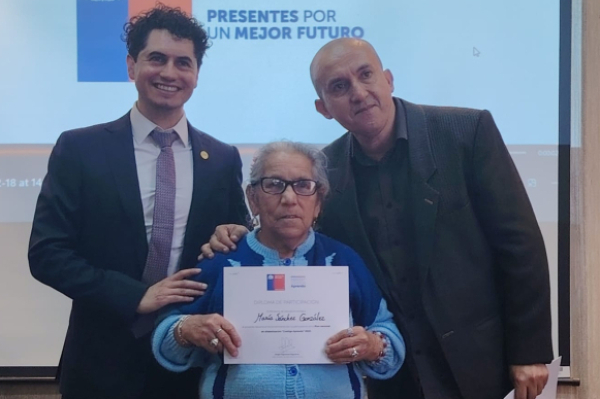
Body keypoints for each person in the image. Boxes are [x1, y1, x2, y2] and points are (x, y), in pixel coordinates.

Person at [203, 38, 553, 399]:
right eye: (339, 86)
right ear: (323, 108)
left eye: (366, 75)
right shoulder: (324, 174)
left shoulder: (465, 131)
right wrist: (242, 232)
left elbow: (519, 242)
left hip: (481, 360)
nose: (358, 93)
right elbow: (298, 239)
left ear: (388, 79)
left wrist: (529, 351)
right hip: (394, 373)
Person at [28, 5, 249, 399]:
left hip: (190, 359)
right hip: (100, 361)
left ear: (197, 74)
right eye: (156, 58)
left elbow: (238, 250)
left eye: (183, 62)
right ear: (132, 66)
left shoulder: (221, 159)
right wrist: (135, 296)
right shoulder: (80, 149)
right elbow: (47, 254)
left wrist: (238, 234)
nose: (169, 73)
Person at [152, 141, 406, 398]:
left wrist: (372, 345)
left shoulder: (343, 259)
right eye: (274, 185)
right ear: (253, 199)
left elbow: (388, 339)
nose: (289, 198)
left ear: (318, 201)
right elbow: (165, 341)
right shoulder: (221, 260)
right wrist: (186, 330)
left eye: (303, 185)